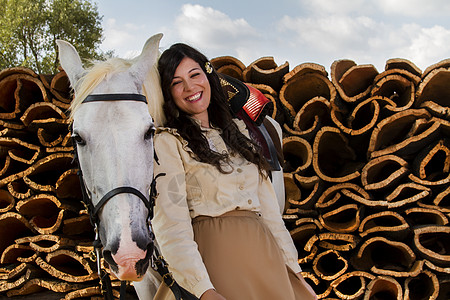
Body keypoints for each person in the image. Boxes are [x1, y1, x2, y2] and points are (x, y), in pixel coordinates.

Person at [151, 42, 317, 300]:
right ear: (168, 93)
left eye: (195, 75)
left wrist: (295, 274)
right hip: (214, 266)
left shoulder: (239, 134)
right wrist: (203, 290)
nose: (190, 87)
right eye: (176, 82)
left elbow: (271, 215)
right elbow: (171, 227)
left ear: (208, 76)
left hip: (267, 261)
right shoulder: (168, 143)